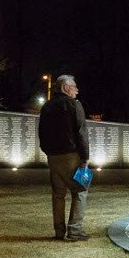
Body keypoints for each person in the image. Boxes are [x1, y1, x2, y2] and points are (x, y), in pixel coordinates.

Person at [38, 74, 90, 241]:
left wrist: (48, 152)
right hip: (71, 155)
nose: (77, 89)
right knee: (80, 190)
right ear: (66, 87)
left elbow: (41, 133)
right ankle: (75, 230)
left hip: (53, 157)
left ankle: (59, 231)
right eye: (74, 86)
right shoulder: (74, 104)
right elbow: (81, 133)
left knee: (58, 194)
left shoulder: (46, 107)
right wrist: (85, 157)